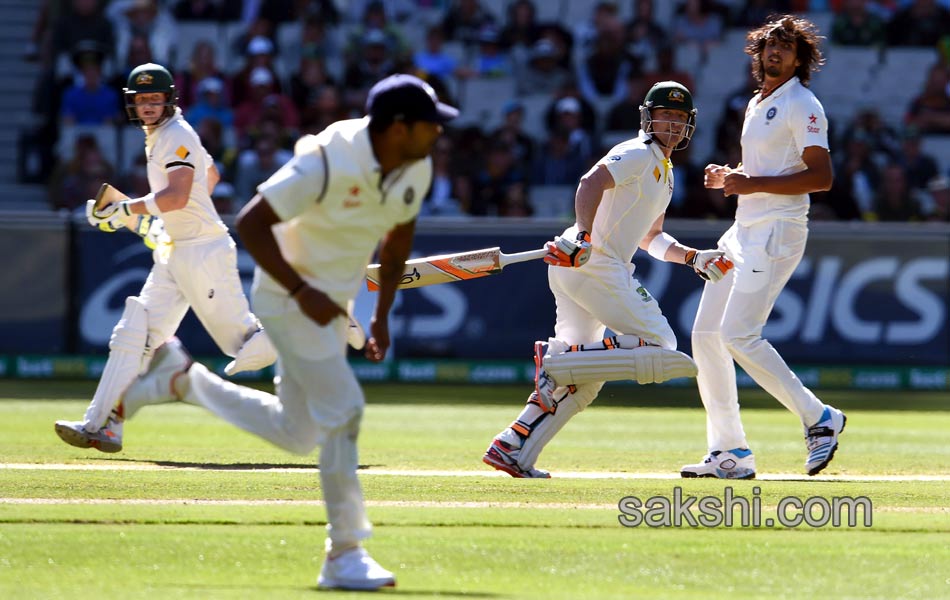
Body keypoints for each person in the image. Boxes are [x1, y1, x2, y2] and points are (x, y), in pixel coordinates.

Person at [111, 74, 458, 590]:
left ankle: (182, 380)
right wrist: (303, 292)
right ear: (399, 127)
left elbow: (397, 242)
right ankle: (344, 553)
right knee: (344, 410)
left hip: (329, 298)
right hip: (286, 295)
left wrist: (380, 314)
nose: (438, 134)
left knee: (297, 433)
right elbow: (252, 223)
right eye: (430, 124)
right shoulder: (327, 157)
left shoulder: (416, 166)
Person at [483, 81, 732, 478]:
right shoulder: (636, 152)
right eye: (665, 115)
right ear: (647, 118)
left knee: (583, 382)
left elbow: (651, 237)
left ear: (689, 126)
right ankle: (557, 363)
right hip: (592, 262)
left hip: (581, 266)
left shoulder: (665, 174)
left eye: (679, 118)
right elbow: (590, 182)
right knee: (663, 345)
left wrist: (692, 257)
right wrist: (583, 234)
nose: (671, 124)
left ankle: (512, 447)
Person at [54, 63, 277, 453]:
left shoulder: (175, 135)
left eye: (156, 99)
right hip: (177, 250)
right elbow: (210, 179)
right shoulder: (164, 135)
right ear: (132, 103)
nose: (150, 106)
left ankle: (322, 320)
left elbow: (175, 195)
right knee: (133, 334)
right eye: (143, 100)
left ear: (169, 99)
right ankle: (101, 425)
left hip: (203, 252)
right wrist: (170, 222)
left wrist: (127, 211)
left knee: (242, 346)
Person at [683, 15, 844, 481]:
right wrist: (732, 176)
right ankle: (729, 452)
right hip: (743, 229)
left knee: (738, 335)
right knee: (705, 336)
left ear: (800, 59)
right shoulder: (758, 102)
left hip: (777, 230)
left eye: (786, 47)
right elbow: (771, 166)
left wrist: (749, 182)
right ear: (757, 53)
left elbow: (821, 177)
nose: (776, 52)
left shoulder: (802, 102)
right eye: (769, 45)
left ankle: (819, 419)